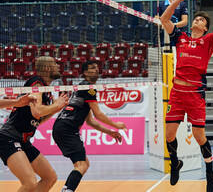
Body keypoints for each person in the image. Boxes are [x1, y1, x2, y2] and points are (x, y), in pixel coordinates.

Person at [160, 0, 213, 192]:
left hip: (195, 95)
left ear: (205, 28)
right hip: (177, 94)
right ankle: (175, 163)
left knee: (200, 137)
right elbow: (164, 19)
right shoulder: (180, 37)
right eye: (196, 19)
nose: (198, 21)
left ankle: (210, 173)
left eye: (202, 21)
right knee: (170, 135)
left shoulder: (208, 41)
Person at [53, 60, 127, 192]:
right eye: (92, 68)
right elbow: (98, 114)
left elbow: (90, 121)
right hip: (67, 129)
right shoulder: (88, 87)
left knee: (84, 164)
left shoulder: (82, 87)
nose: (97, 70)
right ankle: (67, 190)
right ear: (85, 72)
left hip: (62, 127)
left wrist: (110, 132)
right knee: (81, 165)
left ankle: (67, 189)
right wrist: (116, 125)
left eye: (97, 68)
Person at [0, 56, 69, 192]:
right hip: (8, 138)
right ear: (47, 68)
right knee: (30, 183)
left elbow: (39, 119)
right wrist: (56, 105)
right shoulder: (36, 83)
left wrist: (57, 107)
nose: (58, 66)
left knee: (50, 177)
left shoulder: (46, 90)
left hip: (23, 141)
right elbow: (37, 111)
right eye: (55, 64)